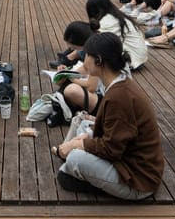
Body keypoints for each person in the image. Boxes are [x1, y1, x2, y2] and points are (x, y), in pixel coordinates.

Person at [52, 33, 164, 200]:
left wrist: (80, 144)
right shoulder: (118, 83)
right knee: (84, 125)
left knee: (75, 159)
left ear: (98, 60)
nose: (84, 60)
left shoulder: (119, 96)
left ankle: (74, 165)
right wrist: (87, 138)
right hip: (127, 160)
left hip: (138, 180)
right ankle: (71, 160)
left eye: (86, 55)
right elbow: (115, 134)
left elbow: (111, 149)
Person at [85, 0, 147, 71]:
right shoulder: (115, 15)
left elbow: (96, 42)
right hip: (138, 57)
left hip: (133, 60)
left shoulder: (108, 20)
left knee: (92, 49)